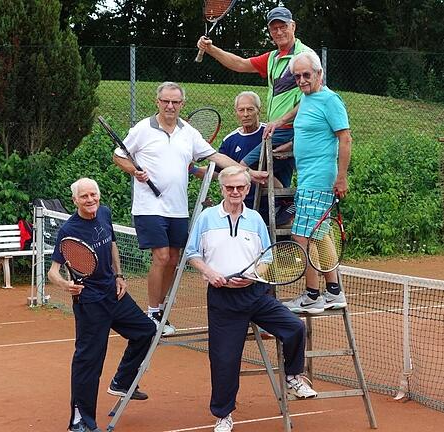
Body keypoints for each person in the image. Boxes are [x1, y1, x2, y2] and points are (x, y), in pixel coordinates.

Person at [113, 82, 267, 337]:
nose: (170, 106)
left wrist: (248, 172)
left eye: (175, 102)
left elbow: (216, 158)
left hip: (178, 209)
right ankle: (151, 312)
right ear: (157, 102)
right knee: (161, 256)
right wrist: (134, 170)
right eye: (165, 101)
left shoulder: (189, 132)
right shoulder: (142, 129)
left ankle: (161, 311)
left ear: (182, 104)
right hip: (149, 207)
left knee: (174, 260)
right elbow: (119, 155)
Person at [185, 166, 317, 432]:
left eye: (240, 188)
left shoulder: (255, 219)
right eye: (230, 187)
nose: (235, 192)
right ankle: (223, 416)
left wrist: (253, 276)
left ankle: (293, 376)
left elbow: (266, 258)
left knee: (294, 328)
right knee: (224, 360)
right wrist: (210, 273)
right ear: (221, 188)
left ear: (247, 189)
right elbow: (191, 253)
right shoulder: (207, 218)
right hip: (222, 299)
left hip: (255, 294)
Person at [47, 178, 156, 432]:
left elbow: (113, 245)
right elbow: (53, 271)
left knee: (146, 331)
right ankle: (80, 421)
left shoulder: (104, 213)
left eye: (93, 194)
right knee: (89, 361)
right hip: (89, 302)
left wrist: (119, 275)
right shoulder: (69, 231)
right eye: (84, 196)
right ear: (75, 200)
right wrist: (66, 286)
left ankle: (122, 380)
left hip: (114, 295)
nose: (90, 200)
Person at [197, 6, 309, 220]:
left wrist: (282, 122)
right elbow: (240, 64)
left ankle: (286, 203)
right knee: (256, 169)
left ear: (293, 26)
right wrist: (212, 50)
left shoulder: (305, 57)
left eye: (283, 26)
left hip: (291, 128)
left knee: (243, 166)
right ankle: (281, 205)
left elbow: (313, 99)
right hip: (279, 129)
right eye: (274, 28)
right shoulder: (273, 58)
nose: (278, 32)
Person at [267, 50, 352, 314]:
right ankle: (331, 292)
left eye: (306, 75)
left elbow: (345, 139)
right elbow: (304, 127)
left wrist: (341, 177)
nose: (302, 80)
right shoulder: (308, 99)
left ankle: (315, 295)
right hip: (307, 178)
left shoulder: (330, 100)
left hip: (319, 179)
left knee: (303, 236)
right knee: (318, 233)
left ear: (319, 74)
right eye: (297, 76)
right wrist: (284, 137)